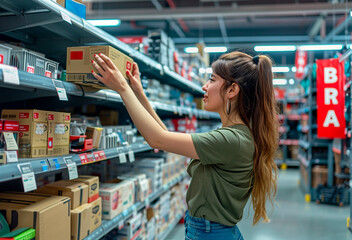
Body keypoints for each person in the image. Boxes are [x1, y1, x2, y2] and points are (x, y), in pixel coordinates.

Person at [91, 51, 279, 240]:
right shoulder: (233, 136)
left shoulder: (231, 140)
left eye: (212, 80)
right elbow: (165, 136)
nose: (204, 86)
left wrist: (123, 88)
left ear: (232, 90)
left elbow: (157, 139)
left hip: (210, 234)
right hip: (209, 230)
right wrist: (138, 92)